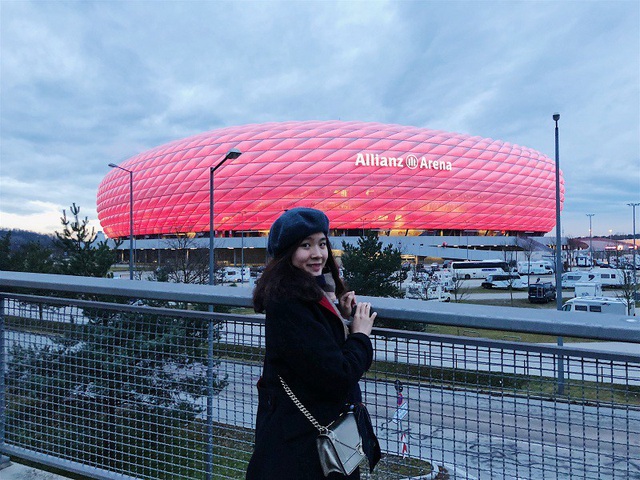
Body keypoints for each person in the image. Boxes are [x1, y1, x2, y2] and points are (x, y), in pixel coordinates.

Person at [246, 207, 378, 479]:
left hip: (301, 435)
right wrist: (360, 336)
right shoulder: (289, 303)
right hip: (301, 447)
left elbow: (315, 350)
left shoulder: (307, 292)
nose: (318, 254)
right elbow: (338, 374)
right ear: (286, 253)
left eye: (322, 243)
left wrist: (341, 317)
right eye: (305, 245)